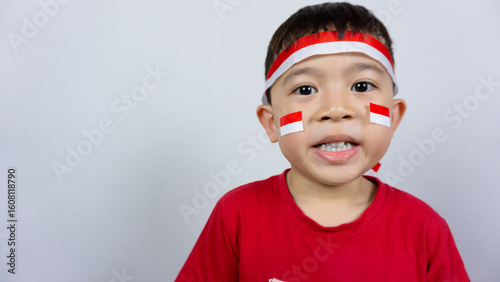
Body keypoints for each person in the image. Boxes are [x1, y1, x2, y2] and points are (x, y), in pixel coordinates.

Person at [176, 2, 469, 281]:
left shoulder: (425, 229)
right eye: (305, 89)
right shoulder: (236, 216)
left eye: (362, 86)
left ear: (393, 117)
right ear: (271, 122)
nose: (336, 109)